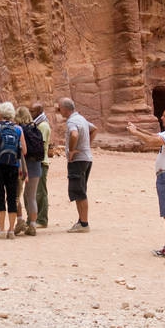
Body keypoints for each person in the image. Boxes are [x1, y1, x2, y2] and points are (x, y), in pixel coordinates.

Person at [127, 106, 165, 258]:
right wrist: (137, 129)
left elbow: (152, 141)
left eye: (164, 115)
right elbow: (153, 135)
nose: (161, 118)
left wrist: (135, 133)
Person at [0, 101, 27, 239]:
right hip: (13, 165)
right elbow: (24, 150)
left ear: (0, 113)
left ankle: (2, 229)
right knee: (12, 196)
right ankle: (11, 230)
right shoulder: (18, 129)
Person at [57, 98, 96, 233]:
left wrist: (72, 150)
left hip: (78, 160)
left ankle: (84, 224)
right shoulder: (81, 118)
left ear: (65, 109)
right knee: (81, 190)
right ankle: (81, 221)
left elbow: (74, 134)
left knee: (79, 192)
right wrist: (87, 145)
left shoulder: (72, 122)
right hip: (86, 158)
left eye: (59, 108)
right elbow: (94, 129)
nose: (59, 110)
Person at [13, 106, 41, 236]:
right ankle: (33, 225)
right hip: (35, 165)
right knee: (31, 197)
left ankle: (19, 220)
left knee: (15, 196)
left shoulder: (18, 130)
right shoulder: (35, 128)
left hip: (21, 166)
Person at [32, 102, 52, 228]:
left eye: (33, 111)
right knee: (36, 192)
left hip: (41, 162)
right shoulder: (37, 124)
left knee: (41, 192)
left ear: (39, 111)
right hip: (37, 161)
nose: (31, 113)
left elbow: (40, 144)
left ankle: (42, 219)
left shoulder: (43, 126)